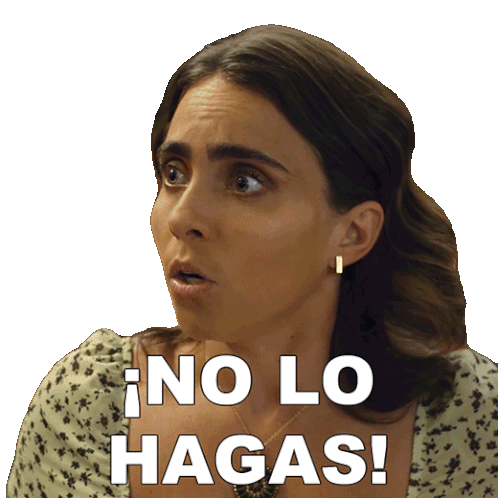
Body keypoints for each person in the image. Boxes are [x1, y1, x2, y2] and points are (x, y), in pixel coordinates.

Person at [7, 25, 497, 498]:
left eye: (245, 181)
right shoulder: (91, 405)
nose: (182, 217)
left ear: (353, 233)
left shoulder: (465, 414)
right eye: (174, 173)